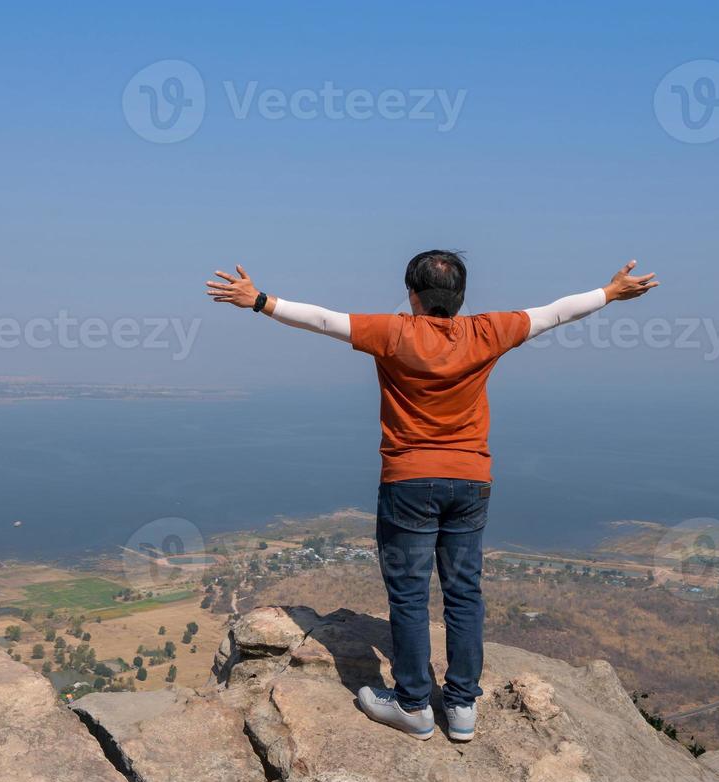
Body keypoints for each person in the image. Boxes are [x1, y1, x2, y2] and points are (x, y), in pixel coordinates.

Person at [205, 251, 658, 742]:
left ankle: (414, 705)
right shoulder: (488, 331)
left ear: (413, 295)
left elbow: (320, 319)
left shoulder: (393, 332)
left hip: (408, 482)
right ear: (460, 298)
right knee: (464, 592)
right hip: (470, 481)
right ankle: (462, 707)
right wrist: (610, 293)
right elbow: (556, 312)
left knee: (409, 594)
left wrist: (259, 301)